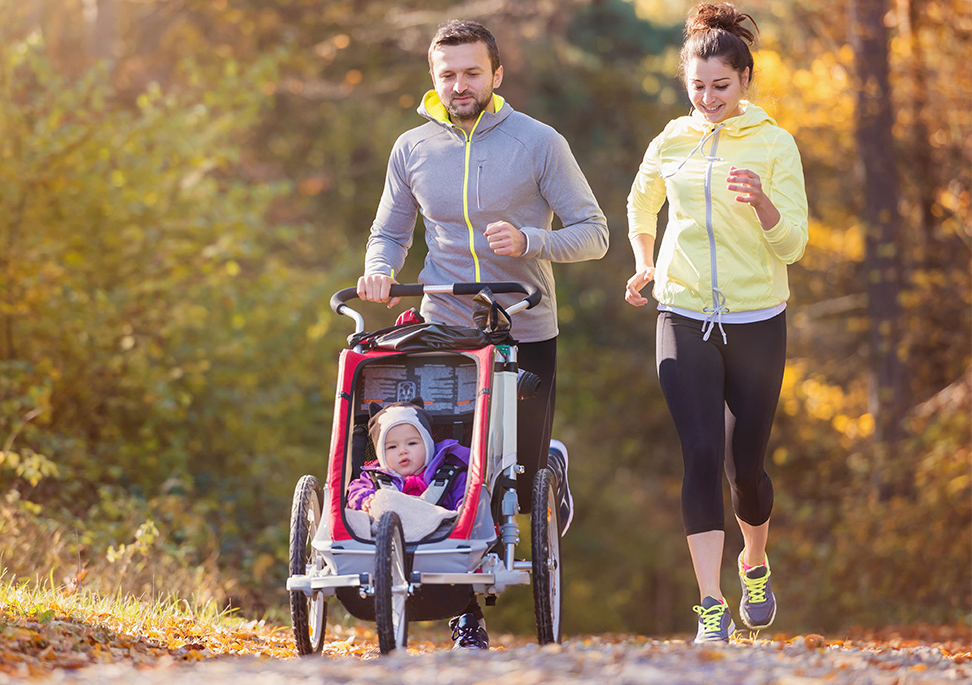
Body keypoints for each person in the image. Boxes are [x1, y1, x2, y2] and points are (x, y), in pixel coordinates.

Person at [355, 19, 608, 579]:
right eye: (448, 74)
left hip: (522, 323)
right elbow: (390, 233)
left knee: (517, 476)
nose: (460, 85)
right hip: (442, 326)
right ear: (432, 77)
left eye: (472, 72)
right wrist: (378, 270)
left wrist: (531, 241)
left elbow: (595, 233)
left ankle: (549, 468)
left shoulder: (539, 142)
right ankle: (465, 612)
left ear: (497, 73)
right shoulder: (412, 148)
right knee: (447, 469)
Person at [624, 3, 809, 644]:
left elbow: (794, 247)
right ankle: (711, 604)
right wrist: (645, 262)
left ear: (745, 81)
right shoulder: (671, 140)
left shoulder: (775, 144)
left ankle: (753, 561)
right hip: (683, 312)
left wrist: (762, 203)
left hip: (757, 320)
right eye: (697, 86)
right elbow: (640, 200)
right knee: (700, 454)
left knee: (746, 471)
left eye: (720, 86)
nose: (708, 99)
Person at [345, 401, 488, 648]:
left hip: (438, 534)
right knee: (376, 502)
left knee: (465, 511)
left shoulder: (449, 471)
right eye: (392, 446)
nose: (403, 451)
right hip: (384, 539)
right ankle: (388, 628)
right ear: (380, 452)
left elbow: (464, 498)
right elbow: (354, 492)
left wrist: (463, 509)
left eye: (412, 443)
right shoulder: (373, 477)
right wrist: (365, 501)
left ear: (428, 444)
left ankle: (470, 625)